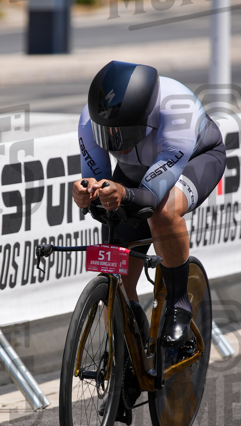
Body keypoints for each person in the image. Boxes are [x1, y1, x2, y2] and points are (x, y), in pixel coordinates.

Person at [73, 60, 226, 347]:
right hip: (136, 171)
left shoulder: (178, 112)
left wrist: (122, 194)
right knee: (114, 268)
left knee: (163, 213)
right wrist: (86, 194)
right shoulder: (88, 120)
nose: (117, 145)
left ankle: (179, 304)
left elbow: (152, 196)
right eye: (108, 135)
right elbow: (98, 186)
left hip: (197, 159)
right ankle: (128, 349)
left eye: (125, 134)